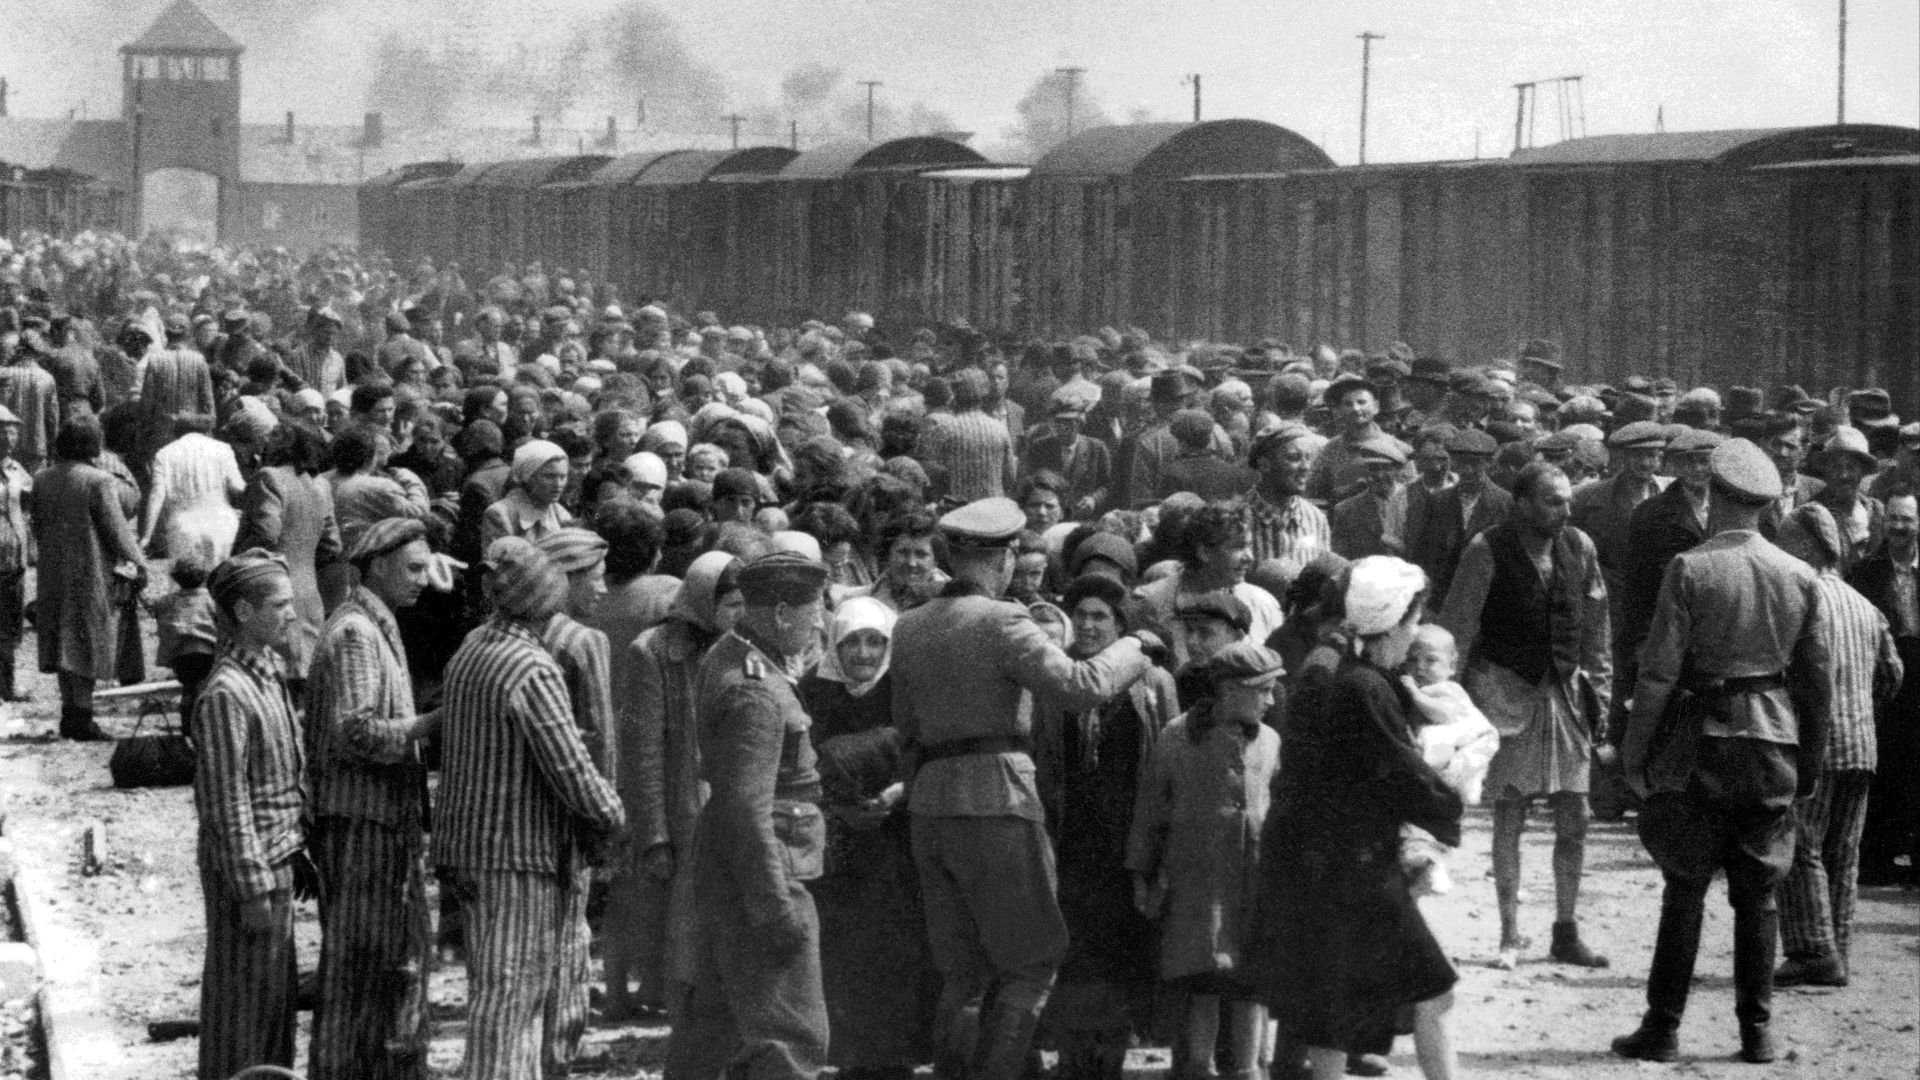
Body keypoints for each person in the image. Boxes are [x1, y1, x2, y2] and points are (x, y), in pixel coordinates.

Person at [890, 497, 1156, 1080]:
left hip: (931, 805)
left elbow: (906, 732)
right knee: (1033, 962)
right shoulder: (1004, 620)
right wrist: (1135, 647)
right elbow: (1082, 684)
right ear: (1006, 556)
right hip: (999, 801)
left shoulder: (908, 627)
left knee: (963, 975)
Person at [1613, 439, 1834, 1065]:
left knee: (1684, 886)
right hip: (1773, 743)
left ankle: (1662, 1026)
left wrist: (1634, 754)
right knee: (1758, 894)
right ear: (1764, 507)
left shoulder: (1689, 568)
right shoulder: (1798, 576)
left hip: (1698, 743)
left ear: (1714, 497)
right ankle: (1756, 1032)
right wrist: (1810, 762)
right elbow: (1816, 681)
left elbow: (1656, 676)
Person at [1247, 556, 1461, 1080]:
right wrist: (1447, 799)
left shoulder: (1336, 672)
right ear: (1390, 618)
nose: (1414, 634)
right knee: (1434, 990)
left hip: (1316, 865)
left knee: (1331, 1008)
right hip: (1358, 871)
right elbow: (1400, 772)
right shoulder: (1366, 686)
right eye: (1412, 621)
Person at [434, 538, 626, 1080]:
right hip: (517, 857)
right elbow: (571, 771)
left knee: (492, 994)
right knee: (512, 1004)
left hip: (467, 850)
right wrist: (613, 818)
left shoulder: (472, 647)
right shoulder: (530, 668)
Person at [664, 551, 833, 1080]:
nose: (819, 624)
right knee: (791, 1039)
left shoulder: (734, 657)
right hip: (764, 875)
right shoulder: (756, 689)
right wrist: (774, 907)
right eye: (813, 611)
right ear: (782, 613)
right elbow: (746, 809)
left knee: (715, 1030)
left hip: (734, 872)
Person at [1439, 462, 1612, 970]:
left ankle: (1565, 930)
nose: (1565, 511)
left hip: (1564, 695)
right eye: (1552, 502)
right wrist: (1455, 708)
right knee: (1510, 814)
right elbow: (1457, 630)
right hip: (1507, 696)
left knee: (1575, 815)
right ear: (1522, 503)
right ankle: (1510, 937)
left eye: (1567, 502)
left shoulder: (1579, 547)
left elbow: (1598, 627)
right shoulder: (1485, 550)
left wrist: (1599, 690)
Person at [307, 519, 439, 1080]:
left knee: (376, 970)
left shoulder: (373, 624)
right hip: (361, 824)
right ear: (377, 565)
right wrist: (430, 725)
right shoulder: (357, 633)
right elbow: (354, 732)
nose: (424, 580)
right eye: (413, 568)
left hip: (375, 821)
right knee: (356, 975)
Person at [1033, 574, 1179, 1080]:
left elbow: (1167, 767)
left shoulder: (1153, 683)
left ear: (1121, 626)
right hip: (1073, 841)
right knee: (1074, 955)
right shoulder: (1058, 679)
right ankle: (1074, 1062)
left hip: (1127, 843)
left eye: (1102, 616)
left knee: (1122, 954)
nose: (1091, 625)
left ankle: (1110, 1062)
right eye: (1084, 615)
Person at [1128, 641, 1283, 1080]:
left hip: (1252, 881)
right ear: (1231, 690)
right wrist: (1141, 874)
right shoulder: (1178, 736)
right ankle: (1199, 1066)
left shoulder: (1270, 740)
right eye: (1265, 690)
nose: (1271, 701)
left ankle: (1249, 1068)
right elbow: (1150, 809)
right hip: (1197, 883)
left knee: (1250, 982)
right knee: (1203, 981)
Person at [799, 597, 938, 1080]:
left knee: (897, 948)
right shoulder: (812, 691)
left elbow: (927, 751)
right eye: (852, 641)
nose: (863, 652)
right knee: (843, 952)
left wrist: (900, 792)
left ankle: (896, 1056)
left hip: (898, 840)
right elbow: (799, 760)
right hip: (839, 845)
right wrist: (839, 807)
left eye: (875, 641)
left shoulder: (907, 688)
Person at [611, 550, 753, 1021]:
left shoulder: (745, 652)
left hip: (733, 801)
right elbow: (642, 750)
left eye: (743, 604)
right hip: (682, 806)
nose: (739, 615)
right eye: (730, 605)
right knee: (680, 920)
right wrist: (652, 831)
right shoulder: (651, 652)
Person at [1772, 502, 1901, 988]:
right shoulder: (1865, 605)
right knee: (1844, 853)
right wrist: (1862, 706)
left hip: (1815, 745)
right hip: (1862, 744)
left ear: (1806, 546)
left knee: (1800, 843)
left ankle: (1811, 950)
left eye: (1785, 543)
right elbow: (1893, 674)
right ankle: (1838, 949)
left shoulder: (1799, 598)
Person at [192, 550, 307, 1080]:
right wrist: (253, 887)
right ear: (242, 611)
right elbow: (225, 803)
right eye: (279, 604)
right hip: (252, 876)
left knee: (272, 1012)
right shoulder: (226, 694)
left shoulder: (267, 676)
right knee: (241, 1016)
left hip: (277, 859)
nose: (292, 613)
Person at [533, 527, 617, 1074]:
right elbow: (601, 738)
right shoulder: (583, 641)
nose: (604, 590)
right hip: (575, 815)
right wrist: (607, 822)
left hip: (527, 814)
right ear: (564, 580)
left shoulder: (512, 634)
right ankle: (557, 1059)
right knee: (569, 946)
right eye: (596, 577)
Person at [31, 415, 143, 740]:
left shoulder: (42, 479)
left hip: (52, 571)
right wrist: (139, 563)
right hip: (89, 570)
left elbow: (38, 524)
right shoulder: (99, 480)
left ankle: (71, 713)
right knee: (87, 640)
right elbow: (117, 530)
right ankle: (82, 718)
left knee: (62, 640)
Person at [1845, 489, 1919, 887]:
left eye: (1907, 519)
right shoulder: (1864, 572)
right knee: (1886, 768)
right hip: (1885, 686)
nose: (1898, 527)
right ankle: (1877, 859)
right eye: (1892, 519)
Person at [235, 421, 344, 685]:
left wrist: (237, 560)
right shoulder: (320, 485)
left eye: (273, 435)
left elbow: (266, 533)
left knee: (265, 678)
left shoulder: (269, 477)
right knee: (301, 680)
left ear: (285, 443)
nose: (267, 441)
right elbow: (333, 545)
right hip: (308, 595)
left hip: (270, 594)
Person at [1404, 427, 1508, 608]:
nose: (1467, 470)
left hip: (1489, 601)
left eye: (1475, 464)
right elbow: (1422, 553)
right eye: (1460, 463)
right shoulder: (1437, 501)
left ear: (1489, 464)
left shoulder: (1505, 503)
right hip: (1443, 600)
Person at [141, 412, 246, 562]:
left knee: (187, 580)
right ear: (207, 431)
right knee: (223, 580)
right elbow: (238, 486)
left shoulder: (164, 454)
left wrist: (146, 536)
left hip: (183, 528)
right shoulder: (223, 449)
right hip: (222, 524)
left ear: (176, 432)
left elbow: (156, 496)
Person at [1244, 423, 1331, 577]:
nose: (1305, 467)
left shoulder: (1315, 518)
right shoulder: (1238, 518)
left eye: (1308, 457)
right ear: (1265, 464)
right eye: (1294, 458)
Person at [482, 438, 574, 549]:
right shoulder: (501, 514)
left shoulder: (562, 515)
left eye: (563, 477)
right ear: (528, 477)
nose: (558, 484)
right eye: (549, 476)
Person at [0, 406, 30, 702]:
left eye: (13, 430)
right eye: (3, 430)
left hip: (13, 554)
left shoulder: (15, 470)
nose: (9, 436)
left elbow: (33, 496)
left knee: (10, 624)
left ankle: (7, 686)